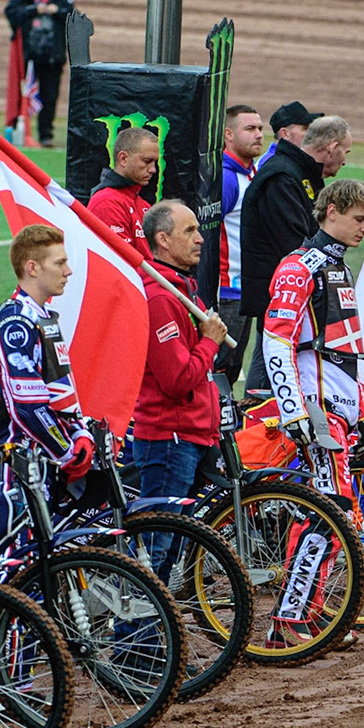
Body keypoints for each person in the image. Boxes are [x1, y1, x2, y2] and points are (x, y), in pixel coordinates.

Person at [261, 180, 364, 647]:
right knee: (334, 513)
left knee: (332, 514)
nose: (363, 229)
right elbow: (277, 340)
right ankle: (289, 621)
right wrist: (294, 409)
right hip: (317, 412)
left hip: (340, 410)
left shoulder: (336, 267)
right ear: (330, 211)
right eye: (358, 218)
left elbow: (345, 351)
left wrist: (362, 413)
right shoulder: (300, 267)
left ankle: (306, 615)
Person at [133, 200, 230, 564]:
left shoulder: (181, 288)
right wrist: (209, 342)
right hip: (169, 439)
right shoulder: (160, 297)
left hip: (189, 435)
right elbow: (177, 379)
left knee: (170, 551)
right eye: (188, 230)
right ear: (162, 239)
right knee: (155, 552)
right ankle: (136, 624)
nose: (200, 238)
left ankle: (159, 623)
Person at [240, 115, 353, 393]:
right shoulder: (283, 176)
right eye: (345, 152)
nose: (345, 161)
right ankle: (258, 422)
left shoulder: (300, 174)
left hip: (293, 292)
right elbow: (293, 244)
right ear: (331, 147)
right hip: (282, 295)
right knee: (271, 359)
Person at [0, 225, 96, 484]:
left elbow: (60, 392)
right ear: (32, 268)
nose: (68, 271)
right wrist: (65, 452)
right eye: (60, 263)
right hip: (23, 458)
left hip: (46, 454)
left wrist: (80, 433)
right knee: (23, 526)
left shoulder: (43, 317)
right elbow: (27, 407)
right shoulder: (15, 324)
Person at [215, 104, 266, 383]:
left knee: (232, 370)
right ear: (228, 135)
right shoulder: (226, 178)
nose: (258, 135)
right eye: (250, 129)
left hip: (243, 290)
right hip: (227, 292)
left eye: (260, 129)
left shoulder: (250, 173)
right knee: (221, 369)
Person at [3, 0, 75, 147]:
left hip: (52, 57)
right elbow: (11, 13)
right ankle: (20, 130)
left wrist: (56, 11)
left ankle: (46, 135)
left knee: (49, 97)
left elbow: (74, 16)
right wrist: (34, 9)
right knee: (24, 94)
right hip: (28, 59)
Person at [86, 125, 161, 263]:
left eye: (154, 162)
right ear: (123, 159)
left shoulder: (141, 203)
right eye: (146, 161)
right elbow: (120, 264)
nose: (153, 169)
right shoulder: (106, 203)